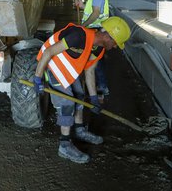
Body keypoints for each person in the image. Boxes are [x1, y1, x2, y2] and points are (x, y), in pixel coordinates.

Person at [33, 16, 131, 164]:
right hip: (51, 64)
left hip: (67, 68)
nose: (116, 46)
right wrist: (37, 78)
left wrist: (93, 98)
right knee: (67, 103)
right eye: (116, 42)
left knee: (79, 95)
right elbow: (48, 53)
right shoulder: (79, 36)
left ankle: (79, 130)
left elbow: (89, 72)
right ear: (107, 36)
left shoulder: (98, 49)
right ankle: (64, 145)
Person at [74, 0, 110, 95]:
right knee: (95, 59)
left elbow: (95, 14)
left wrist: (83, 25)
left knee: (96, 60)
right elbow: (91, 9)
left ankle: (102, 86)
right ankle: (99, 85)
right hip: (94, 30)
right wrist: (82, 5)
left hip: (97, 31)